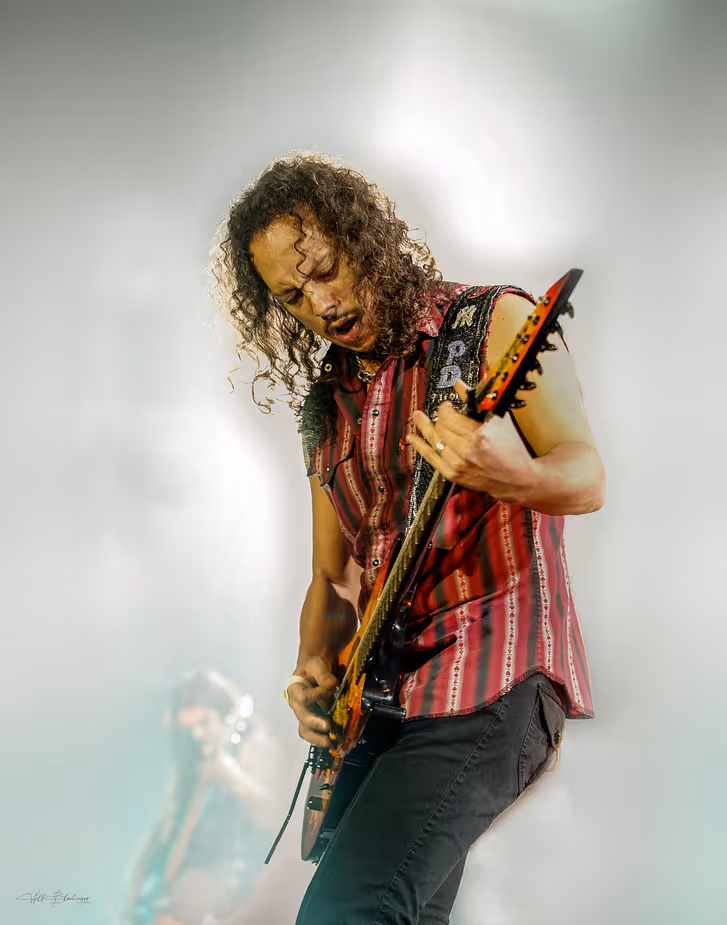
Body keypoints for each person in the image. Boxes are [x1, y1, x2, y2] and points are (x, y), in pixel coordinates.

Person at [212, 153, 605, 925]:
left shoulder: (489, 322)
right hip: (384, 706)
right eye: (292, 296)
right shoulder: (325, 405)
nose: (320, 303)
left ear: (365, 238)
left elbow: (585, 474)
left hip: (490, 677)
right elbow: (333, 578)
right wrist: (312, 668)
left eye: (325, 269)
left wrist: (511, 474)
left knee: (348, 909)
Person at [123, 670, 280, 925]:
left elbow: (279, 816)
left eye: (205, 722)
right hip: (185, 886)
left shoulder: (253, 746)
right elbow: (170, 822)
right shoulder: (194, 754)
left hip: (234, 887)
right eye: (189, 728)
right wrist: (143, 871)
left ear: (226, 715)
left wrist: (231, 776)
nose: (197, 734)